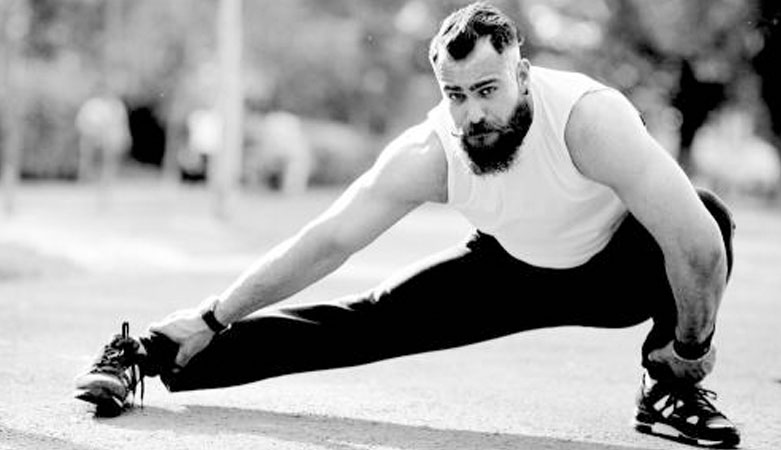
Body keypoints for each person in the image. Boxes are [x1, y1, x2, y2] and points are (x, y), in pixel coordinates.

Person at [75, 2, 740, 447]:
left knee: (707, 217)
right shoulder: (432, 153)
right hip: (509, 270)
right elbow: (328, 241)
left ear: (524, 75)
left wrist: (685, 350)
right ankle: (156, 355)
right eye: (456, 95)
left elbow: (699, 246)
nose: (474, 113)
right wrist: (215, 316)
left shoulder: (590, 120)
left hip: (615, 273)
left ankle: (668, 390)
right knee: (362, 321)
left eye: (489, 90)